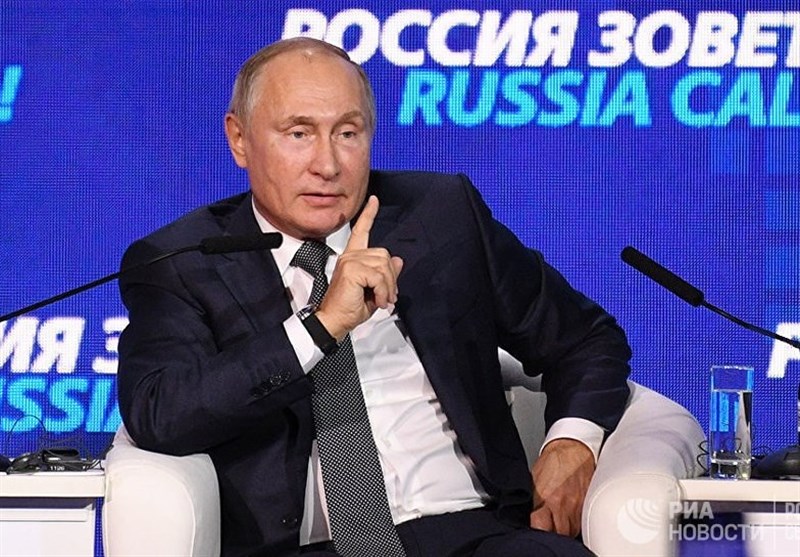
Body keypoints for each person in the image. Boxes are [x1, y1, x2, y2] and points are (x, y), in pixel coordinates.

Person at [117, 37, 632, 557]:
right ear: (239, 139)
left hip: (476, 534)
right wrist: (319, 327)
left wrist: (572, 443)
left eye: (348, 133)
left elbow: (587, 339)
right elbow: (160, 414)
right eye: (298, 134)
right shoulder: (184, 261)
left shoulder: (439, 215)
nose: (327, 165)